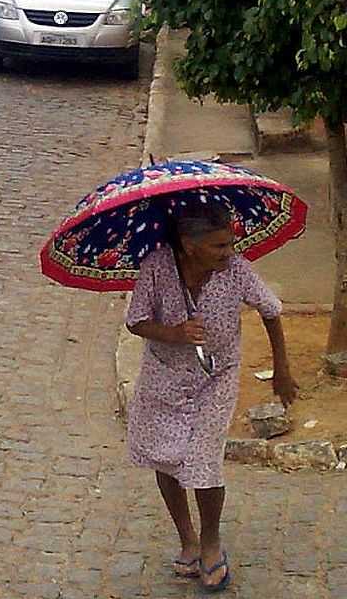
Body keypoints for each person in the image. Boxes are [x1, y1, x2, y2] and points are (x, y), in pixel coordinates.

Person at [126, 201, 297, 593]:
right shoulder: (156, 268)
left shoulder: (236, 271)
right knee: (166, 456)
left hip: (215, 378)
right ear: (189, 245)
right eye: (219, 246)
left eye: (230, 243)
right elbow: (135, 320)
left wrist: (282, 370)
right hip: (164, 375)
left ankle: (210, 542)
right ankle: (186, 539)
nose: (229, 252)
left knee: (204, 459)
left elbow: (271, 311)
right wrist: (174, 333)